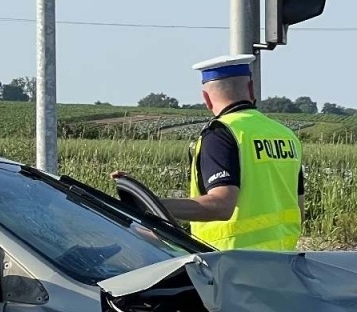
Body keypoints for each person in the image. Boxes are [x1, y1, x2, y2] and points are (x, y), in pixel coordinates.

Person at [125, 54, 305, 252]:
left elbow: (221, 206)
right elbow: (298, 208)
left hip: (230, 261)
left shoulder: (221, 134)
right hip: (282, 260)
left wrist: (148, 204)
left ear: (206, 98)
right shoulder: (286, 135)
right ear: (251, 88)